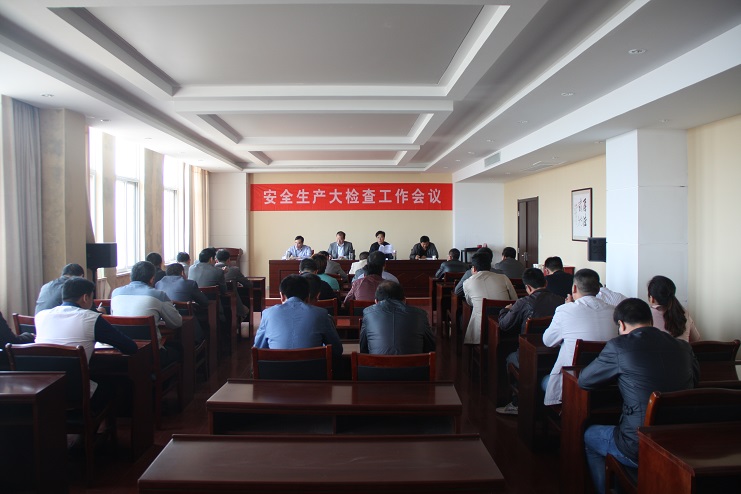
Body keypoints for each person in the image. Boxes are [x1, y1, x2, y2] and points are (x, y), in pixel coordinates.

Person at [579, 298, 699, 494]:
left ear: (621, 324)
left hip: (638, 445)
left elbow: (584, 380)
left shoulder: (619, 346)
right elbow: (695, 380)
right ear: (650, 320)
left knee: (590, 435)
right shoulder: (682, 346)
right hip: (679, 441)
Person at [36, 277, 137, 399]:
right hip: (76, 393)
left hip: (43, 390)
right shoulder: (90, 318)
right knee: (119, 383)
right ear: (85, 298)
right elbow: (130, 347)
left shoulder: (40, 316)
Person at [541, 268, 617, 406]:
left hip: (573, 384)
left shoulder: (565, 310)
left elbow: (548, 341)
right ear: (598, 289)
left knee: (543, 381)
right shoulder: (614, 311)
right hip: (607, 385)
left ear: (574, 288)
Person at [495, 268, 565, 415]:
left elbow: (504, 325)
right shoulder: (561, 300)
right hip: (555, 355)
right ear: (546, 283)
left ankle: (516, 402)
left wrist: (505, 311)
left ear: (527, 287)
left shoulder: (523, 302)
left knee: (509, 358)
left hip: (527, 357)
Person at [253, 274, 342, 360]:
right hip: (313, 369)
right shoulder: (321, 314)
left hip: (275, 369)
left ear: (282, 296)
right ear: (308, 297)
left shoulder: (267, 314)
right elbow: (337, 350)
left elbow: (258, 349)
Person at [111, 261, 182, 366]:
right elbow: (176, 323)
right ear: (152, 279)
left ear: (131, 276)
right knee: (179, 348)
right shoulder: (158, 295)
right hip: (150, 356)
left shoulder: (115, 293)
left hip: (121, 354)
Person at [360, 281, 435, 355]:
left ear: (376, 301)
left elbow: (363, 347)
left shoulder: (367, 313)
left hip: (376, 362)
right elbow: (431, 346)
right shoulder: (420, 314)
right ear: (404, 300)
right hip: (413, 363)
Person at [463, 252, 518, 345]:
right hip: (505, 324)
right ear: (490, 266)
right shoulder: (503, 278)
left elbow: (470, 303)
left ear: (474, 268)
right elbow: (514, 300)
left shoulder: (467, 282)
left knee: (476, 310)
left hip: (482, 328)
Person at [648, 275, 700, 342]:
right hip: (683, 349)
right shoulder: (683, 313)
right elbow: (696, 339)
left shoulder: (647, 315)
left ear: (652, 298)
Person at [215, 249, 252, 320]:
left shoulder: (211, 271)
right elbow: (248, 284)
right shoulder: (234, 270)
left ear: (216, 260)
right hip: (232, 304)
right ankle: (236, 323)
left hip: (216, 306)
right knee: (246, 310)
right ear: (229, 260)